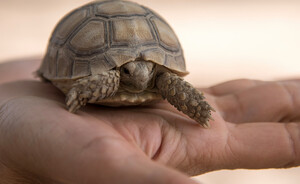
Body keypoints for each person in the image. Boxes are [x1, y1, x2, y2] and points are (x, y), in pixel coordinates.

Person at [0, 58, 299, 184]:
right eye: (130, 72)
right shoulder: (111, 76)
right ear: (122, 71)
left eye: (147, 71)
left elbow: (165, 81)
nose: (141, 78)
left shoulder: (159, 77)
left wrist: (199, 109)